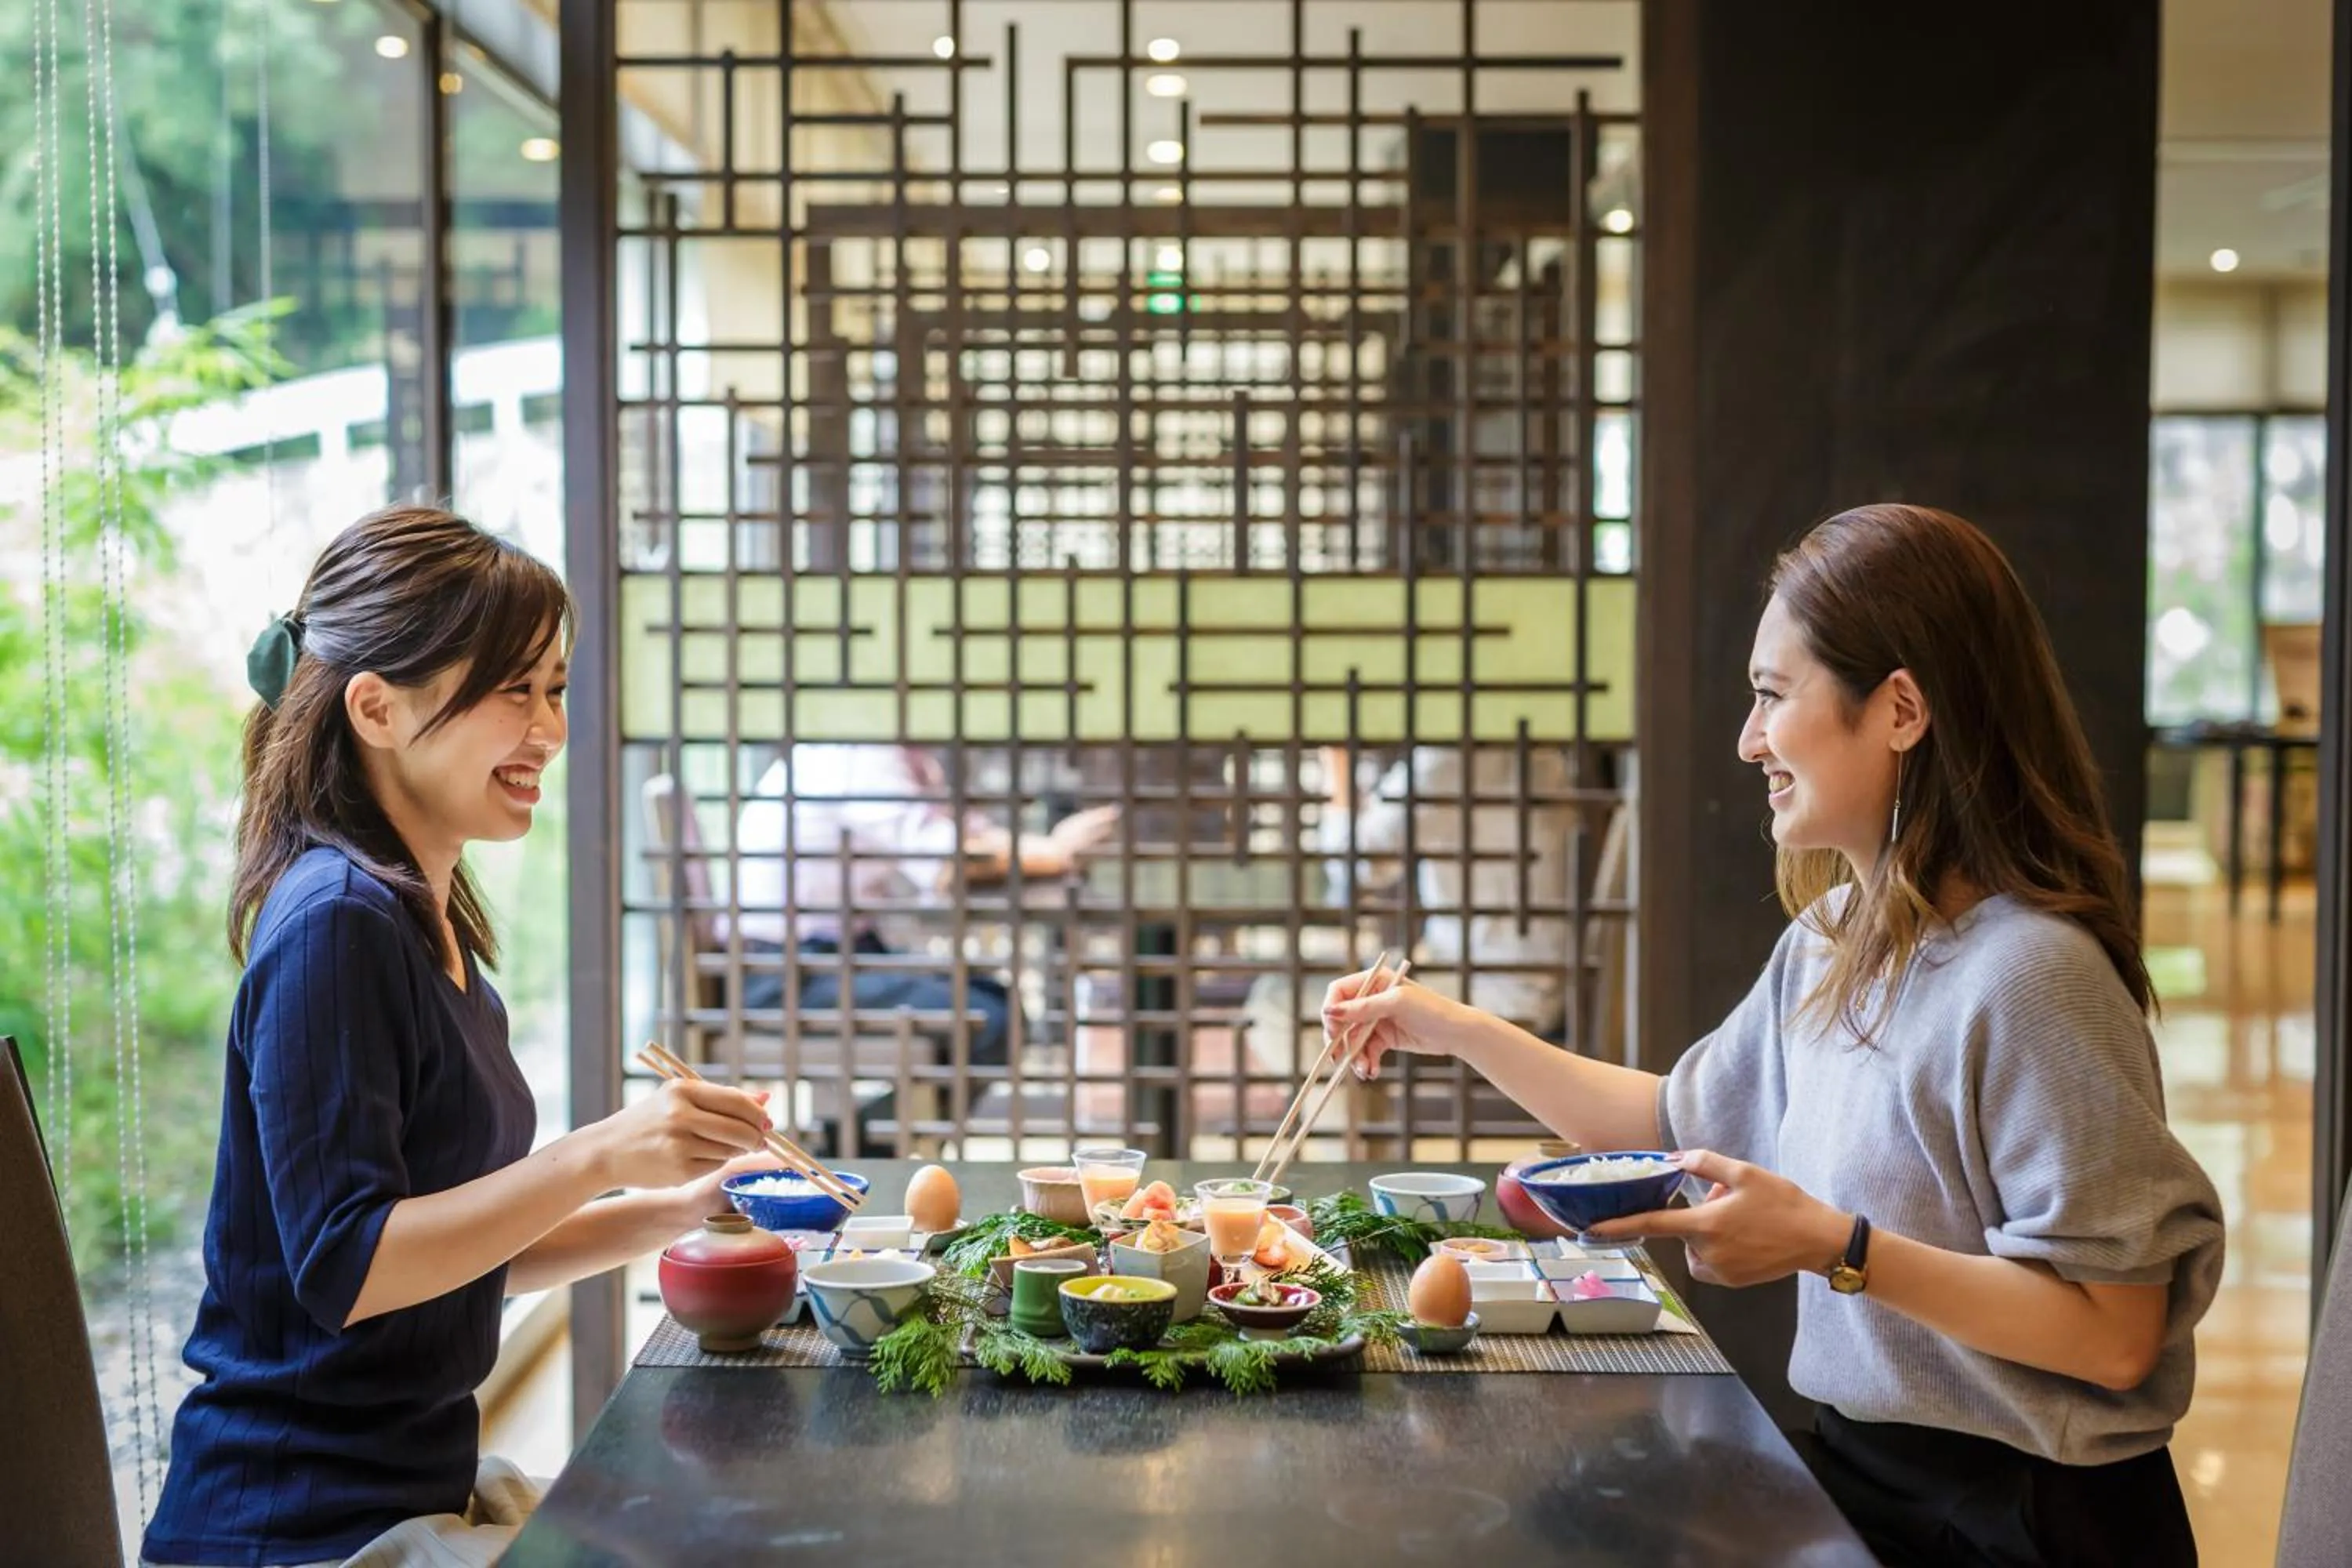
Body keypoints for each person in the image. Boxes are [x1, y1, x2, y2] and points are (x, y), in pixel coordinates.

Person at [1323, 504, 2225, 1567]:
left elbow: (2115, 1336)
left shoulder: (2035, 977)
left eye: (1772, 696)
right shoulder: (1839, 935)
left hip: (2027, 1519)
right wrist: (1452, 1026)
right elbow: (1670, 1120)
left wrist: (1834, 1250)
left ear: (1899, 709)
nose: (1750, 741)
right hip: (1870, 1479)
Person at [143, 508, 777, 1568]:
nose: (550, 730)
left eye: (557, 690)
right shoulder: (335, 924)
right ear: (377, 708)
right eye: (512, 690)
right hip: (300, 1526)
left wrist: (676, 1206)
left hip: (403, 1489)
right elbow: (353, 1266)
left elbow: (462, 1253)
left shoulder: (426, 916)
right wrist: (604, 1152)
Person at [732, 743, 1118, 1065]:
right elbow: (943, 861)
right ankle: (871, 1151)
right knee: (988, 1018)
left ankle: (870, 1144)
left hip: (832, 955)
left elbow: (960, 832)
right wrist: (1054, 851)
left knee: (991, 999)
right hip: (783, 974)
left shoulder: (891, 754)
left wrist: (1049, 851)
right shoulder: (855, 754)